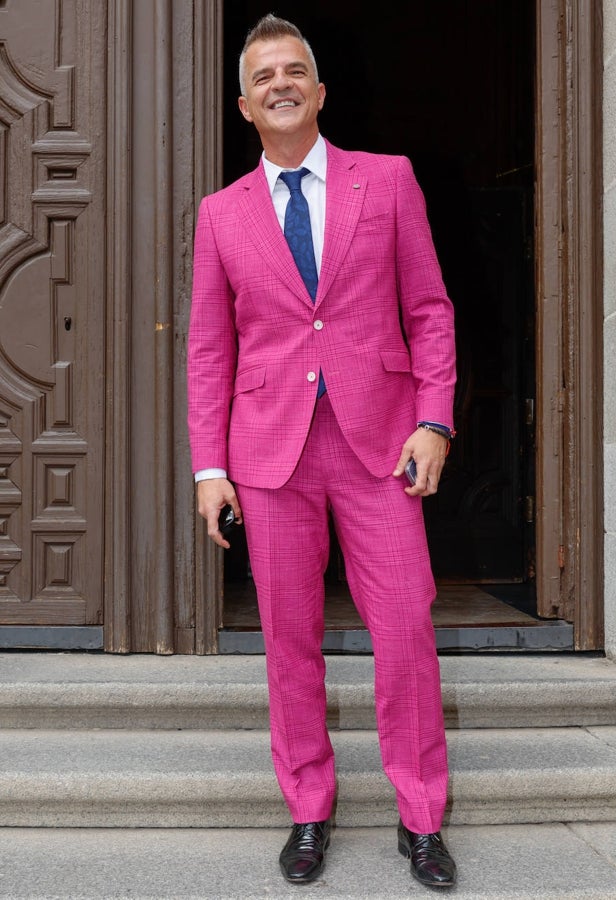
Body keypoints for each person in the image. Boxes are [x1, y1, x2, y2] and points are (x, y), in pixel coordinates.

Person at [187, 13, 457, 890]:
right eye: (263, 75)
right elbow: (209, 349)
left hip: (382, 445)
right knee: (288, 639)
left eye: (294, 69)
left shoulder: (388, 181)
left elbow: (429, 311)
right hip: (269, 455)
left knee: (406, 627)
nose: (280, 83)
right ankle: (309, 807)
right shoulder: (220, 214)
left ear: (320, 90)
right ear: (244, 103)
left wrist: (435, 419)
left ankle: (422, 817)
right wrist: (208, 466)